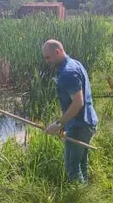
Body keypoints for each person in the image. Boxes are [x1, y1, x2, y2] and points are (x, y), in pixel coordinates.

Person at [42, 39, 98, 183]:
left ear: (57, 52)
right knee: (81, 163)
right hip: (86, 122)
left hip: (80, 126)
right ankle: (85, 193)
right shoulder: (75, 63)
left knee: (71, 167)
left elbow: (78, 103)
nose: (46, 61)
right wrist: (64, 126)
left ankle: (80, 201)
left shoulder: (68, 72)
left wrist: (58, 124)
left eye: (48, 57)